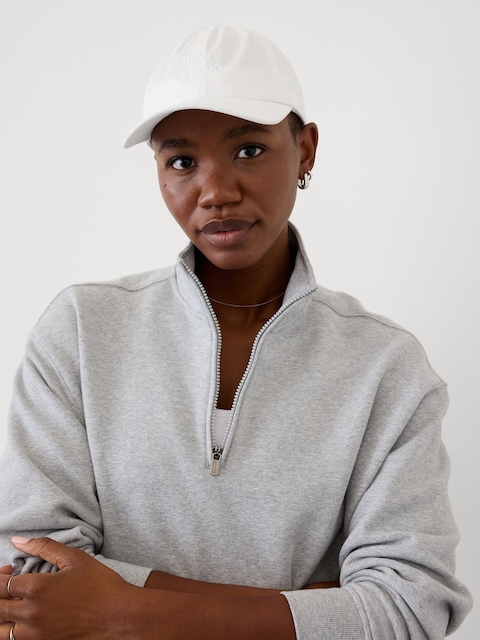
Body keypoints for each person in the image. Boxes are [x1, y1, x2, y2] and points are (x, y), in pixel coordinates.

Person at [0, 25, 472, 640]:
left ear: (305, 150)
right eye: (182, 162)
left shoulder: (387, 368)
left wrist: (121, 612)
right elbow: (31, 576)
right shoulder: (81, 331)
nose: (217, 192)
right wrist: (306, 609)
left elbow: (411, 608)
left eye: (249, 149)